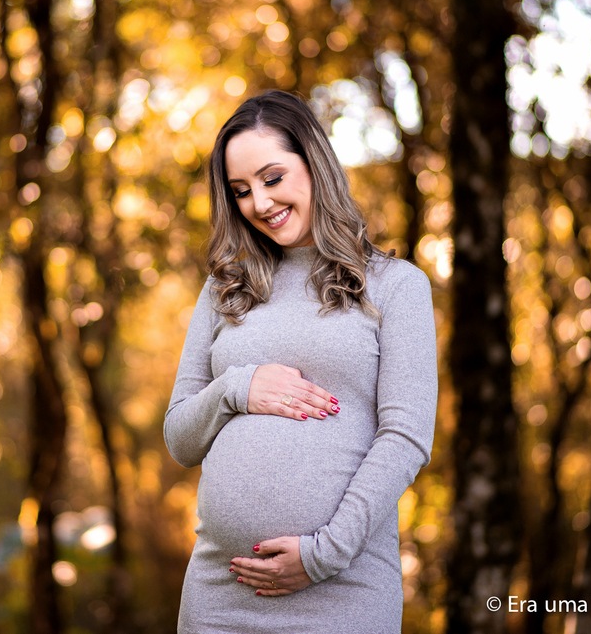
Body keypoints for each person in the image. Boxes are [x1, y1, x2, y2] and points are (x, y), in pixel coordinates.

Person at [163, 90, 438, 633]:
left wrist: (323, 554)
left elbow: (405, 437)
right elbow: (179, 438)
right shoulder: (225, 288)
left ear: (314, 163)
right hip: (220, 595)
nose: (259, 203)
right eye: (240, 191)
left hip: (344, 591)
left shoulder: (396, 286)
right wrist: (237, 388)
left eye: (272, 178)